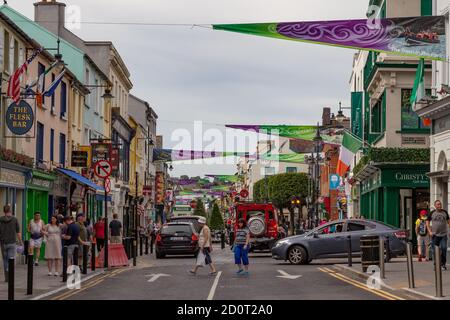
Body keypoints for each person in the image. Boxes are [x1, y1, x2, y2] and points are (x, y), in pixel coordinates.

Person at [0, 205, 22, 282]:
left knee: (5, 260)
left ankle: (7, 278)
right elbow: (18, 232)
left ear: (4, 211)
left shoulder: (0, 219)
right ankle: (11, 276)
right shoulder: (15, 219)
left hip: (3, 243)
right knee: (11, 260)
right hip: (12, 242)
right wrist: (20, 242)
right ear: (10, 210)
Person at [427, 200, 450, 270]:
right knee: (434, 250)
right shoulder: (432, 213)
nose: (439, 206)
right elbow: (427, 222)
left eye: (440, 204)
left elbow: (449, 222)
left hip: (443, 235)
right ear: (435, 206)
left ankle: (443, 264)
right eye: (438, 204)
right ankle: (436, 264)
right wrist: (429, 231)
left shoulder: (445, 212)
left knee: (443, 248)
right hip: (434, 235)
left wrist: (449, 231)